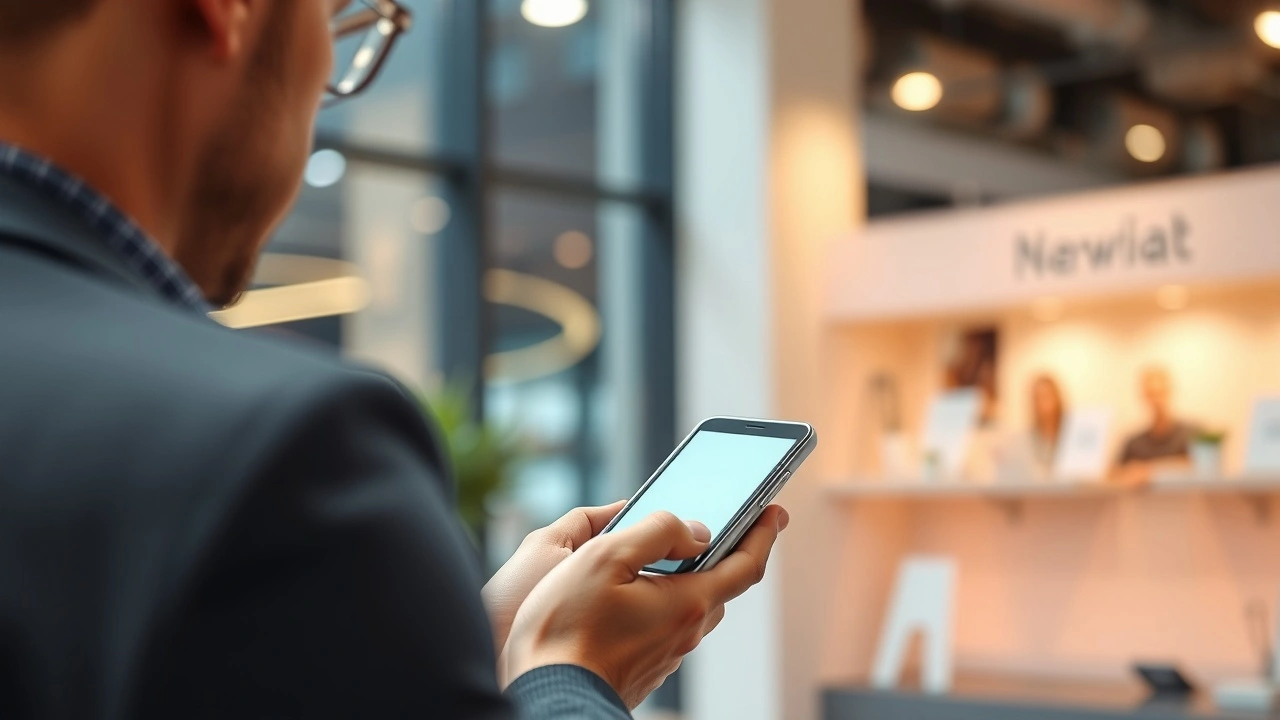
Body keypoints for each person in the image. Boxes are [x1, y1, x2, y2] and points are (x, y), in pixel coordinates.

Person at [0, 2, 786, 718]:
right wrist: (569, 676)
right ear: (226, 13)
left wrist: (451, 652)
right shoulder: (284, 449)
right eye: (337, 30)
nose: (322, 95)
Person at [1113, 366, 1200, 486]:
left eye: (1160, 393)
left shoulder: (1191, 433)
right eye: (1151, 394)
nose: (1157, 400)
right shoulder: (1133, 442)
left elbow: (1199, 467)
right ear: (1144, 396)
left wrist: (1149, 470)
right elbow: (1116, 473)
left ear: (1170, 391)